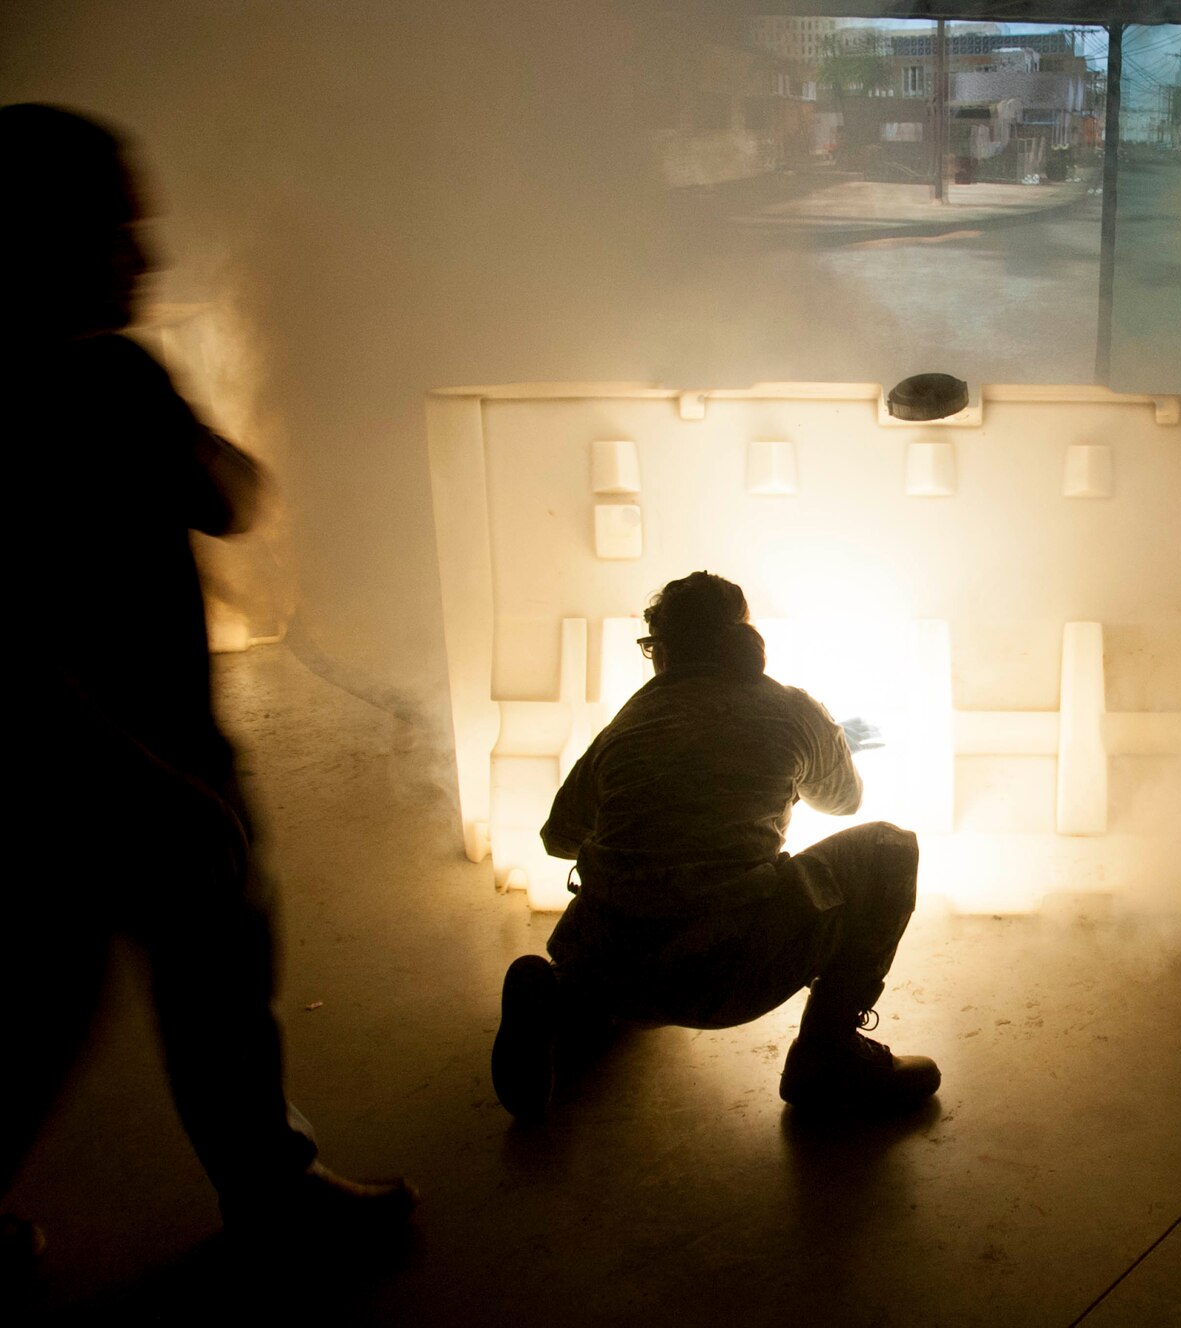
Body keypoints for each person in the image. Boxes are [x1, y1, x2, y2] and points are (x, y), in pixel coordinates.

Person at [0, 103, 416, 1277]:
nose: (147, 258)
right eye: (119, 232)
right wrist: (149, 781)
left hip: (95, 766)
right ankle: (272, 1195)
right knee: (200, 991)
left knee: (56, 1006)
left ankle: (270, 1187)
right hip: (140, 763)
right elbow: (231, 495)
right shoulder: (110, 379)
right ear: (41, 241)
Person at [491, 572, 939, 1119]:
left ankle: (558, 1000)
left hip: (607, 959)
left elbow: (557, 838)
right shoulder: (792, 711)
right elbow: (844, 802)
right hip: (726, 970)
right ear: (742, 635)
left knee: (614, 972)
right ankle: (828, 1053)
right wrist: (824, 741)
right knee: (890, 848)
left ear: (662, 651)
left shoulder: (631, 721)